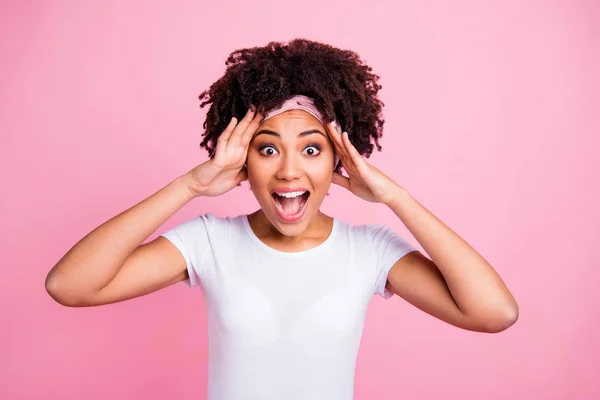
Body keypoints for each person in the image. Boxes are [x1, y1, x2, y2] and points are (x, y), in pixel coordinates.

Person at [45, 39, 519, 400]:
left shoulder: (369, 250)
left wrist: (397, 197)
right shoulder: (209, 241)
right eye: (267, 148)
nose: (289, 170)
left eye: (312, 149)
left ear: (340, 159)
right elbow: (70, 286)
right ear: (241, 161)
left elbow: (495, 313)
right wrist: (189, 185)